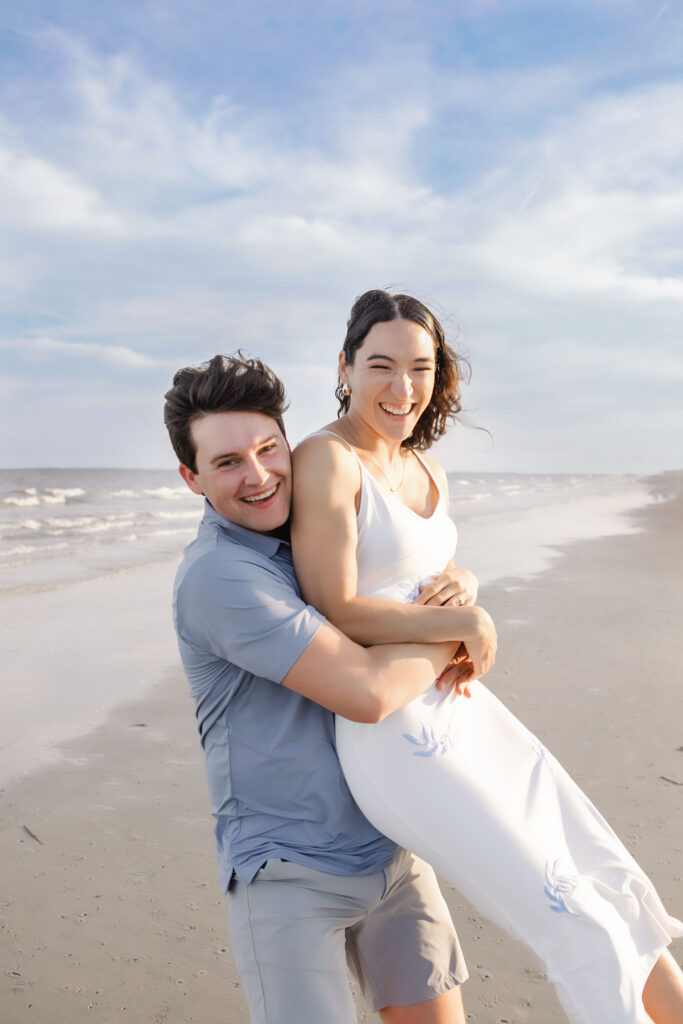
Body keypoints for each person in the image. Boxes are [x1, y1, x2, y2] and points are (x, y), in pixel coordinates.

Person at [290, 289, 683, 1024]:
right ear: (343, 367)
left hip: (468, 713)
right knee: (569, 915)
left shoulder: (420, 464)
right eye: (380, 365)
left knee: (601, 876)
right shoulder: (327, 458)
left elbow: (420, 571)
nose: (401, 388)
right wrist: (467, 619)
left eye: (420, 367)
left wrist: (462, 584)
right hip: (400, 737)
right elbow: (334, 607)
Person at [164, 353, 499, 1024]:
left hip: (391, 849)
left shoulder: (312, 539)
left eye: (267, 449)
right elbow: (368, 692)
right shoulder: (220, 578)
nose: (258, 476)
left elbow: (400, 573)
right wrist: (460, 627)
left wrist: (454, 584)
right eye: (227, 463)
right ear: (191, 478)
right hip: (290, 873)